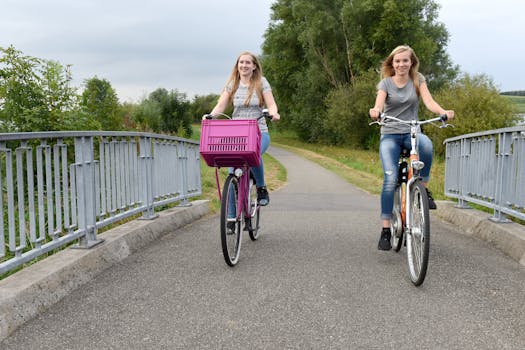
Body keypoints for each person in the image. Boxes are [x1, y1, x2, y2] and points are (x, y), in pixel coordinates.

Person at [369, 45, 454, 251]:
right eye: (397, 61)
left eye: (405, 61)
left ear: (412, 62)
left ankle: (423, 188)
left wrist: (443, 111)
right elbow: (379, 104)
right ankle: (386, 229)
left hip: (411, 132)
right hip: (389, 134)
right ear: (392, 63)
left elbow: (429, 102)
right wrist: (376, 111)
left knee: (426, 145)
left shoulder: (418, 79)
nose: (401, 65)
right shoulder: (386, 83)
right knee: (390, 179)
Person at [208, 51, 280, 206]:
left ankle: (261, 187)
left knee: (253, 154)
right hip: (237, 134)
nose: (244, 65)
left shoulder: (261, 82)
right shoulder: (233, 83)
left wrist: (274, 112)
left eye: (248, 62)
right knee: (232, 174)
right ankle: (230, 221)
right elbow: (221, 105)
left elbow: (271, 103)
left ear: (254, 66)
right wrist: (211, 116)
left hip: (259, 132)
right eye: (241, 62)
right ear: (237, 65)